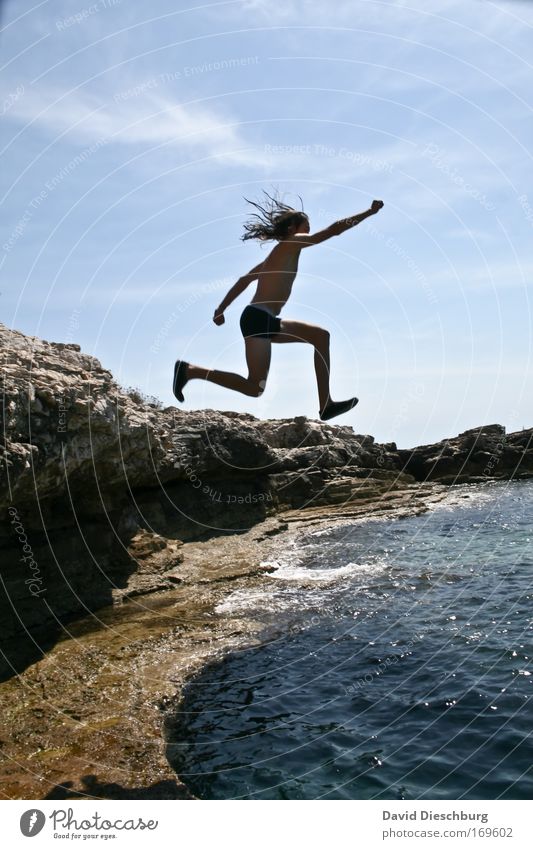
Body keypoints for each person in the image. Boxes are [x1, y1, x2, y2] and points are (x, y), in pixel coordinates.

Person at [173, 192, 384, 421]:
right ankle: (190, 370)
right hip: (257, 318)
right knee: (261, 382)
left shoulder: (278, 256)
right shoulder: (290, 244)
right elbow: (332, 231)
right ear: (294, 228)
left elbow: (245, 279)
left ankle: (326, 405)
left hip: (261, 318)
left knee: (310, 345)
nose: (310, 228)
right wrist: (369, 213)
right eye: (307, 225)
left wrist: (220, 309)